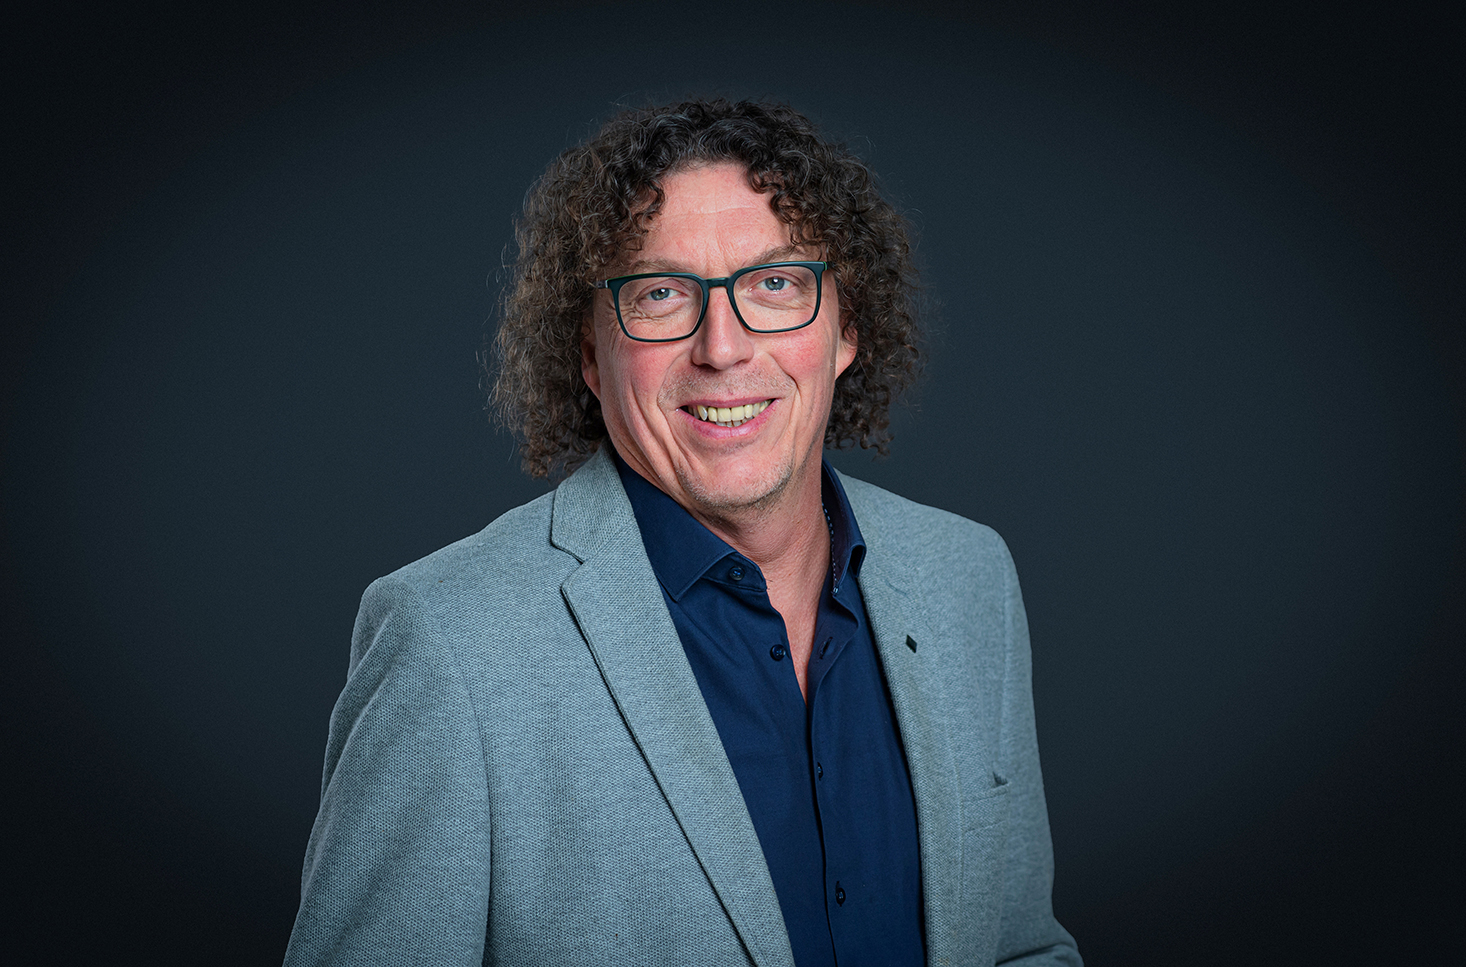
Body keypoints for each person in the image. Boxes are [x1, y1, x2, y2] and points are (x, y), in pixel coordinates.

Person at [283, 98, 1081, 967]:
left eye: (775, 284)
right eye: (661, 294)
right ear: (590, 353)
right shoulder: (448, 643)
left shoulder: (969, 577)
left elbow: (1020, 948)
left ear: (846, 327)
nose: (723, 347)